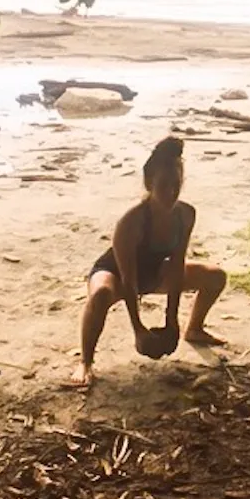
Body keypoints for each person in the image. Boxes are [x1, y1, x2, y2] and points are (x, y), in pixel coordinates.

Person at [70, 136, 227, 388]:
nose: (171, 192)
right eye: (164, 185)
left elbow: (176, 266)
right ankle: (85, 362)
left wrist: (171, 321)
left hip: (156, 272)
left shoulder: (186, 214)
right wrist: (138, 329)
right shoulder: (132, 221)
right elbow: (129, 278)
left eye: (176, 185)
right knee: (99, 295)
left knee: (216, 276)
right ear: (149, 183)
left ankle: (194, 329)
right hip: (117, 273)